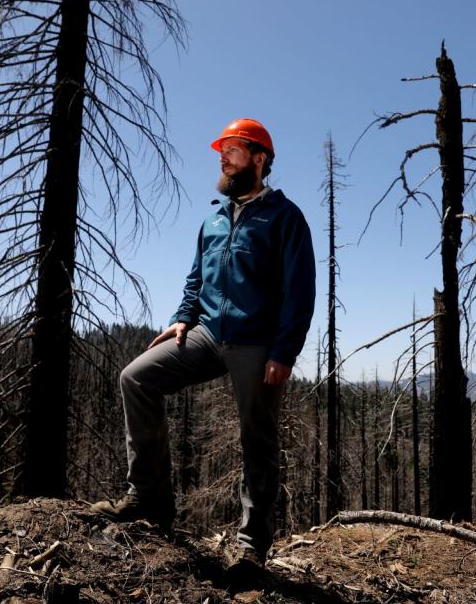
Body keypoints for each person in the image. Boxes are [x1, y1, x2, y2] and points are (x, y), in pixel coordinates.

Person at [91, 118, 316, 571]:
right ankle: (148, 501)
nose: (222, 156)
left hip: (256, 343)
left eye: (232, 148)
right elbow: (196, 279)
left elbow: (300, 291)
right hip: (208, 334)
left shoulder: (285, 218)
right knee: (135, 378)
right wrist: (181, 319)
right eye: (221, 149)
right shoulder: (213, 219)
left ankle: (252, 544)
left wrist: (283, 352)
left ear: (259, 158)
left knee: (258, 438)